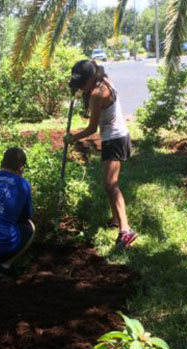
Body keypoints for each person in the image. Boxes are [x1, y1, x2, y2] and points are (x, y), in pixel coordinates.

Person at [65, 60, 137, 249]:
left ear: (91, 78)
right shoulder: (104, 79)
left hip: (115, 139)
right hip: (115, 137)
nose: (81, 87)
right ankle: (115, 220)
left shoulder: (97, 94)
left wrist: (73, 138)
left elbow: (91, 128)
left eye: (82, 84)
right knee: (108, 184)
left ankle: (126, 230)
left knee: (111, 185)